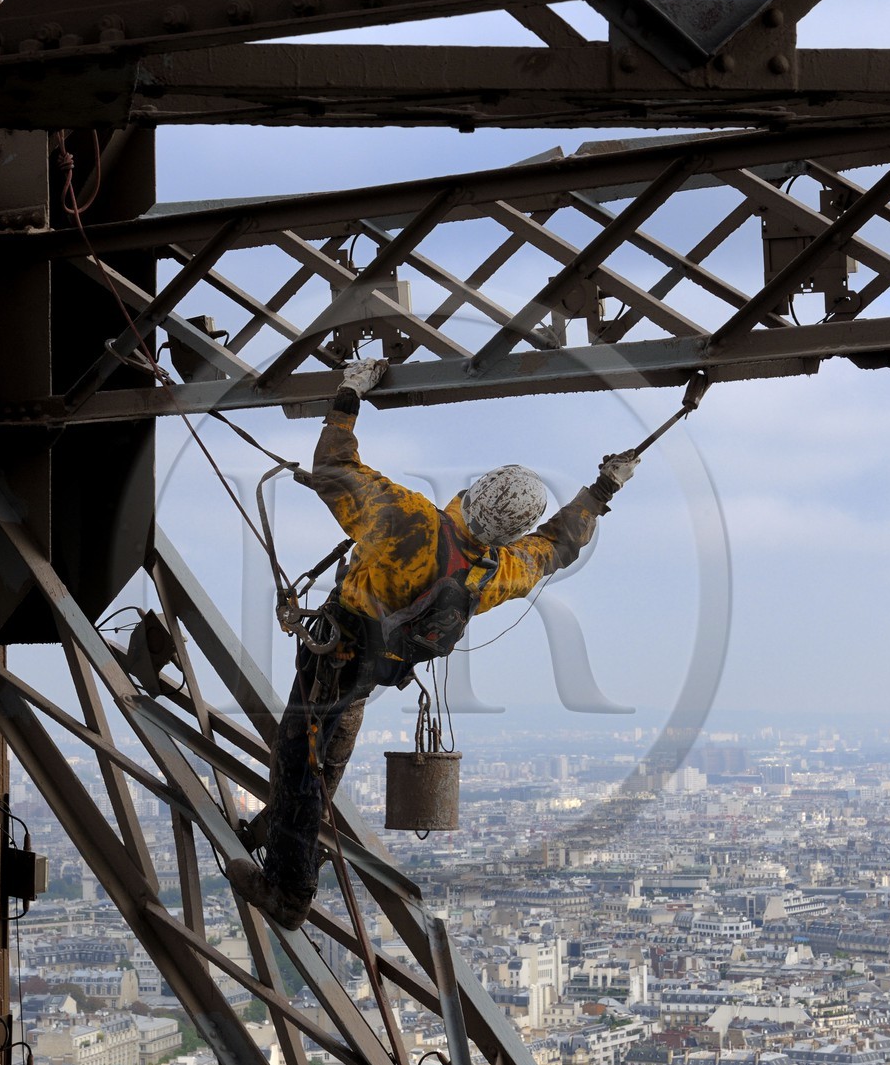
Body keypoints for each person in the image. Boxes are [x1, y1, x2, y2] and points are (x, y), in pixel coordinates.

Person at [227, 359, 639, 930]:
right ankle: (290, 835)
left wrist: (349, 393)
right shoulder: (498, 571)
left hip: (335, 655)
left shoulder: (410, 522)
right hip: (377, 669)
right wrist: (603, 489)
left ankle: (288, 891)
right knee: (330, 748)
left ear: (474, 493)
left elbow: (334, 467)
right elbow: (558, 546)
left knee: (300, 761)